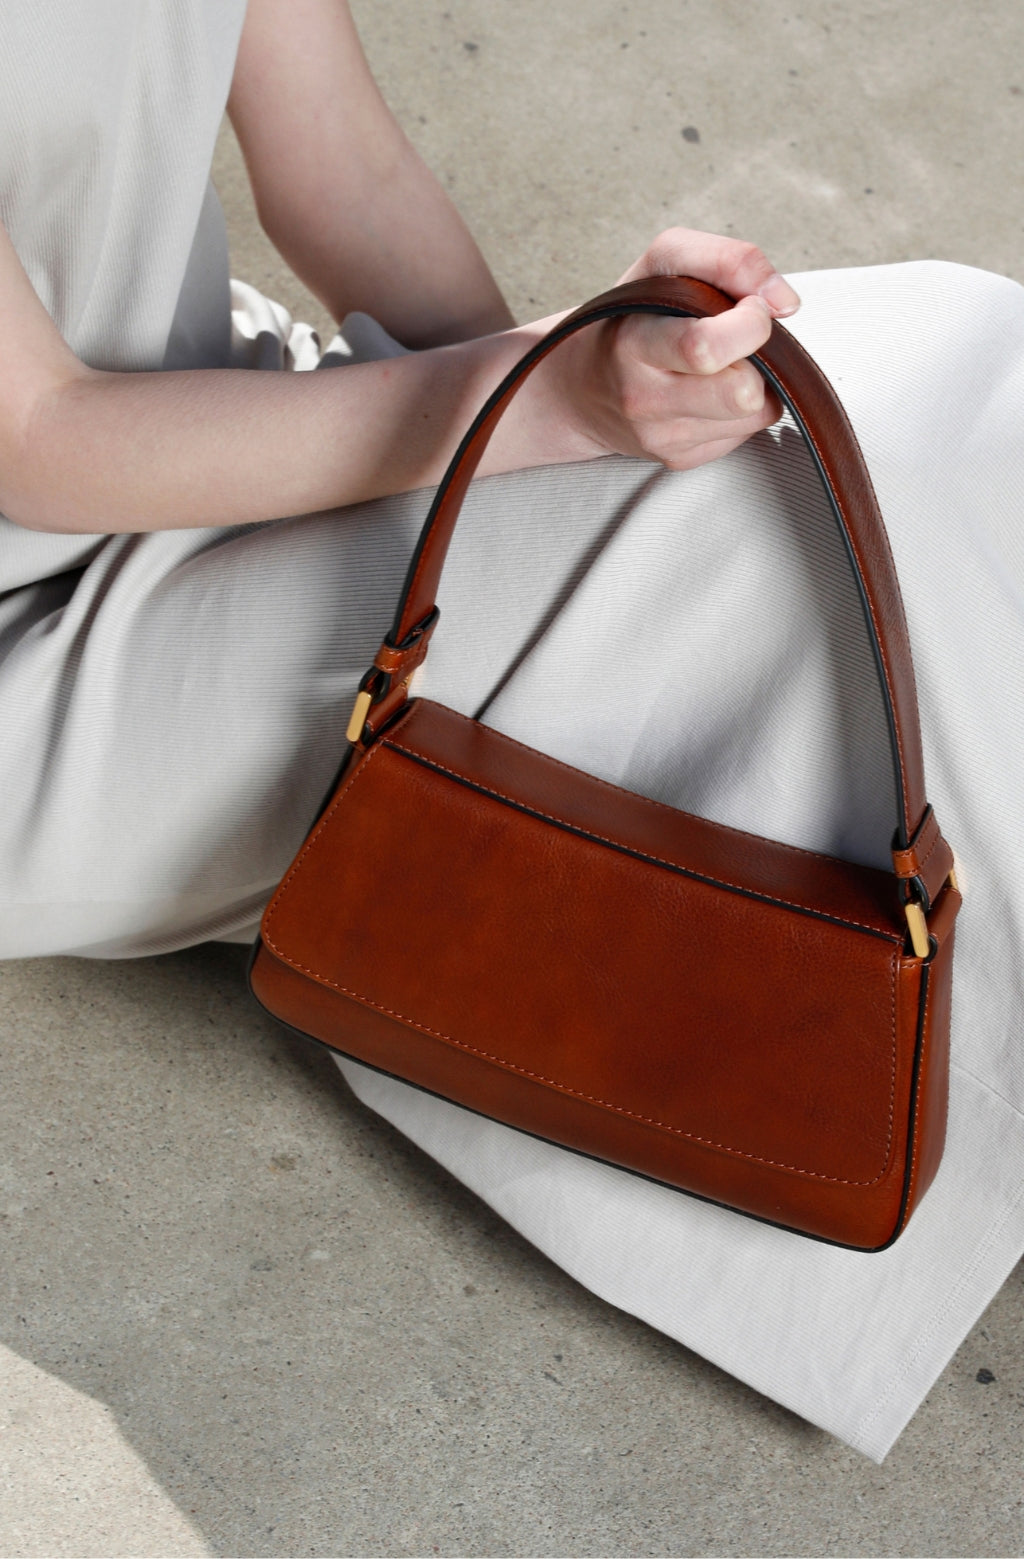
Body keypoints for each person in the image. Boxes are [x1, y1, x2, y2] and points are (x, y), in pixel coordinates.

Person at [1, 0, 1022, 1460]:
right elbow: (35, 439)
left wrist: (586, 392)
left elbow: (342, 171)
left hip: (227, 436)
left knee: (945, 380)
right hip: (35, 657)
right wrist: (554, 413)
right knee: (800, 495)